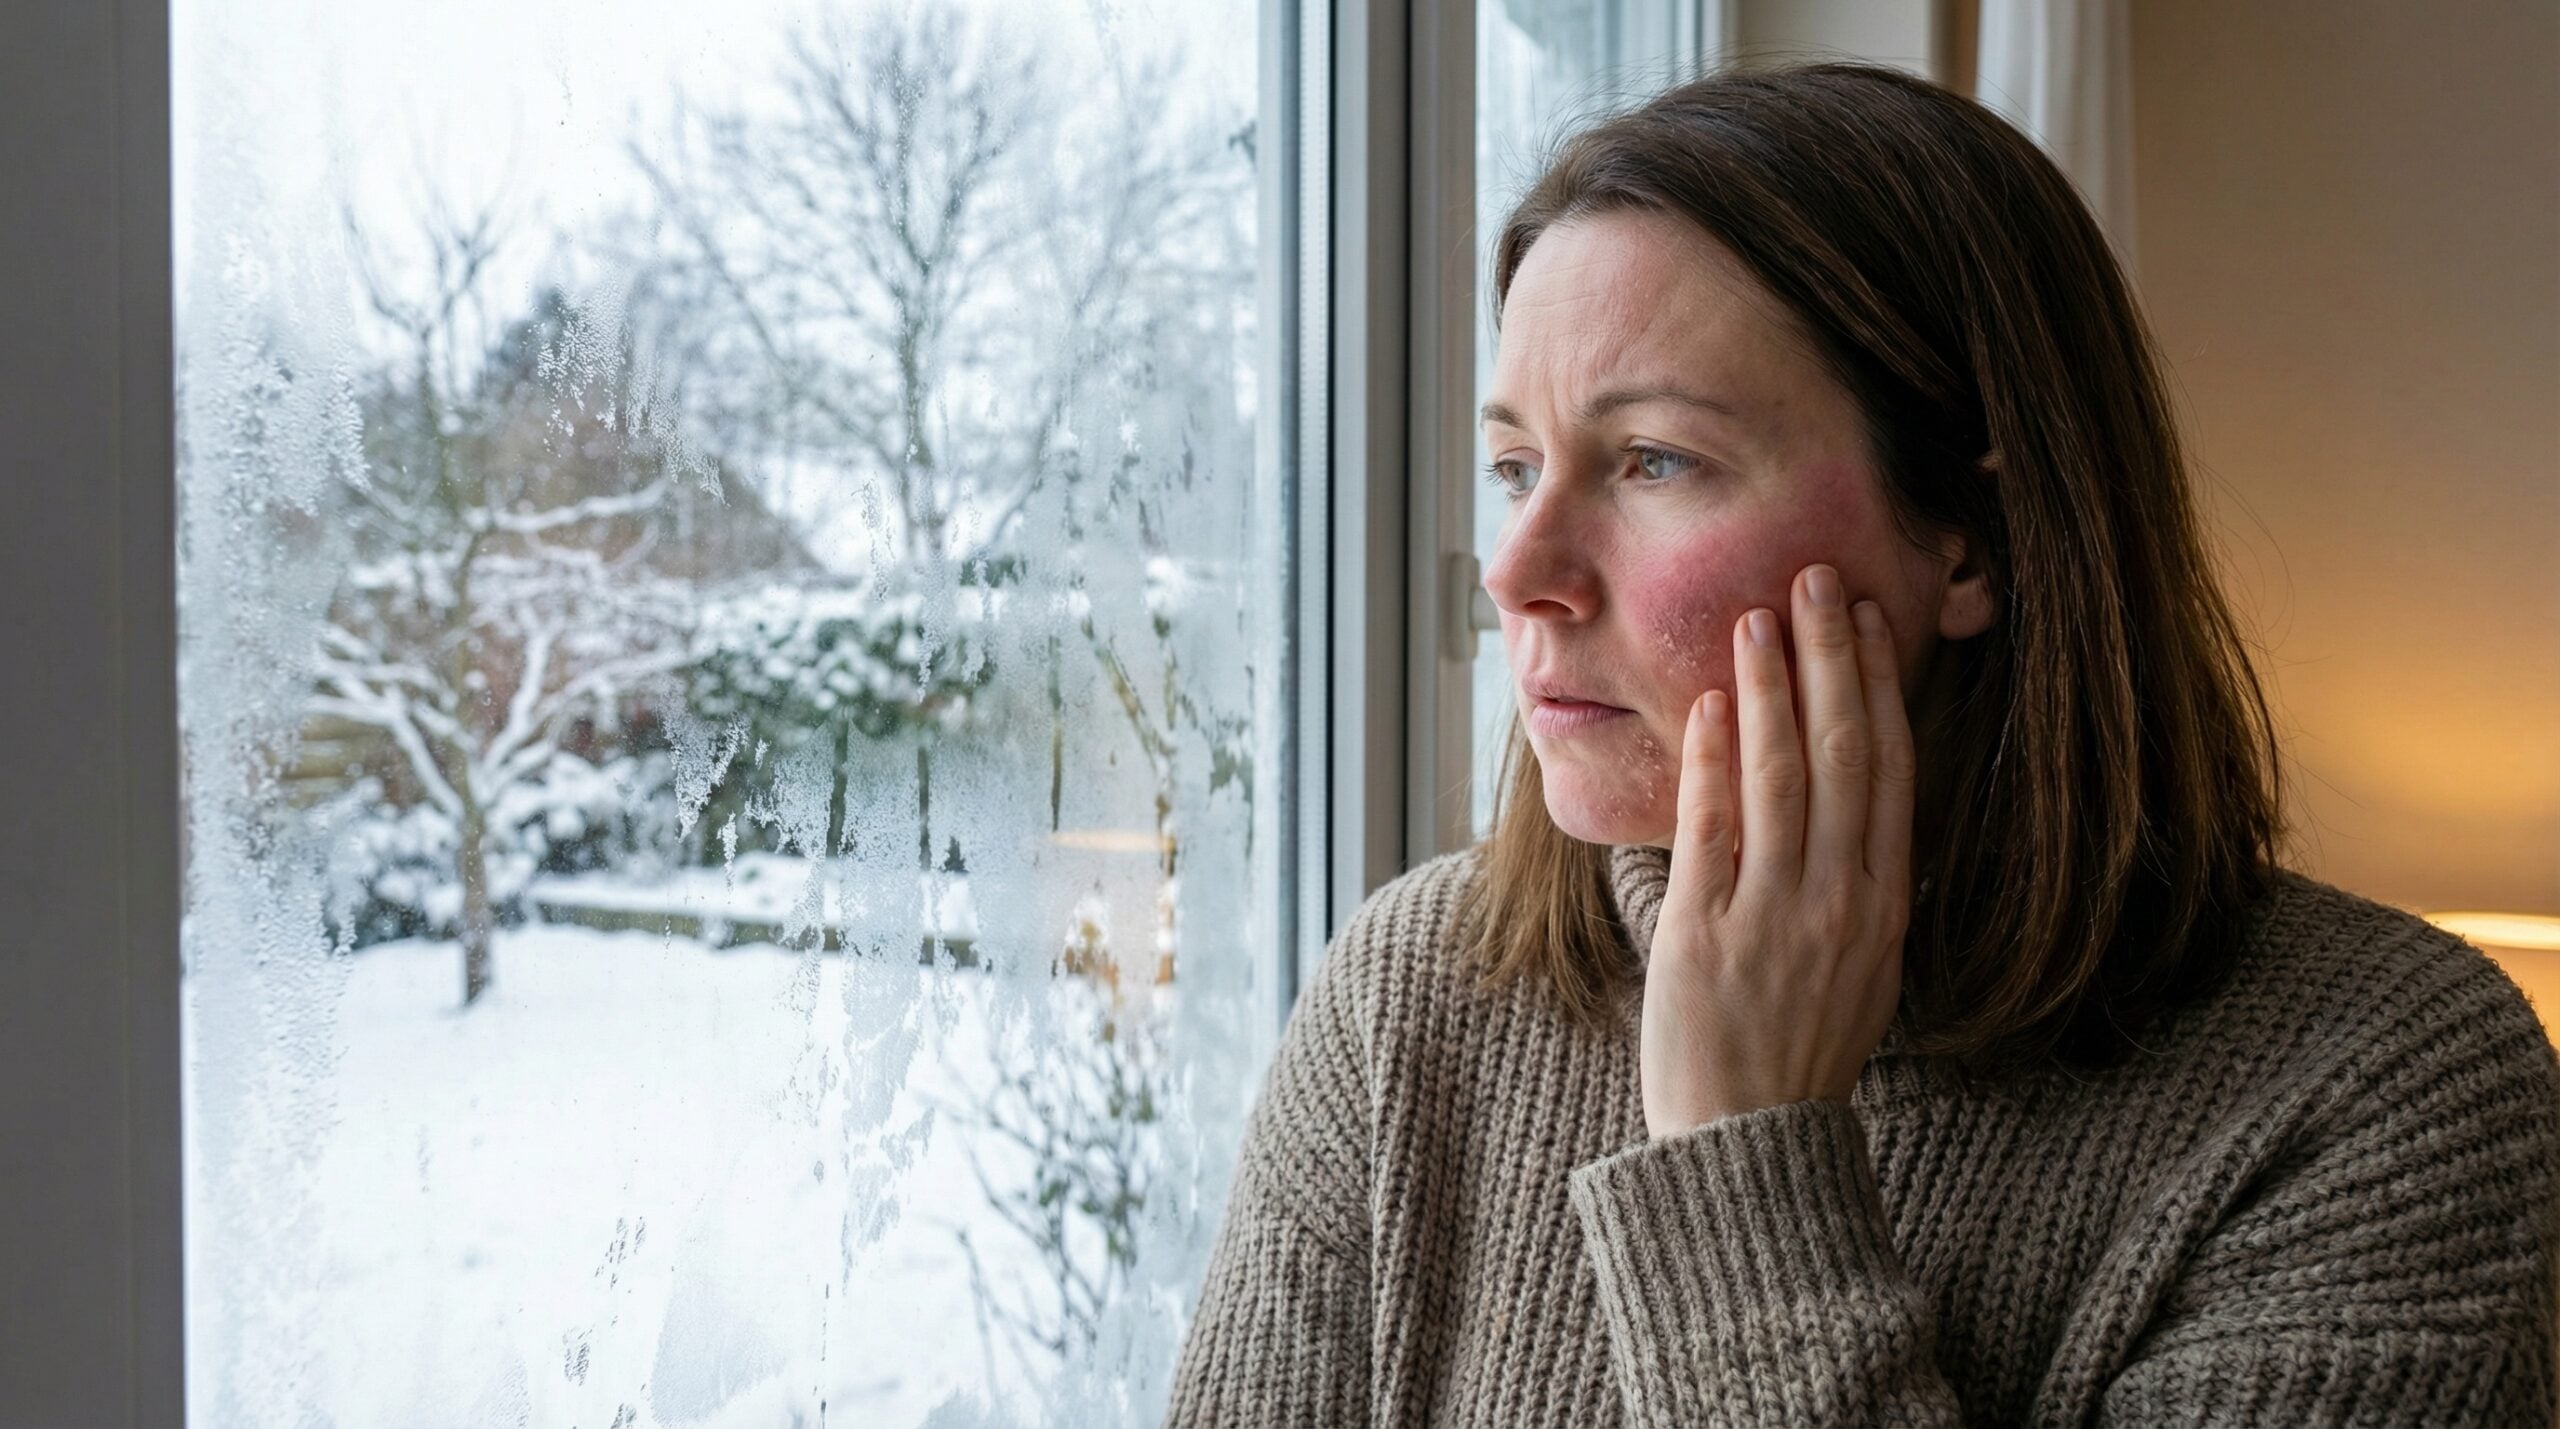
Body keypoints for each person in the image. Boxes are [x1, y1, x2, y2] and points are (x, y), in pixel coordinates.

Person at [1161, 62, 2560, 1427]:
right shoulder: (1410, 997)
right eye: (1516, 466)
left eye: (1653, 459)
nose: (1518, 567)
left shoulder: (2390, 1093)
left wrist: (1740, 1163)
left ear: (1971, 540)